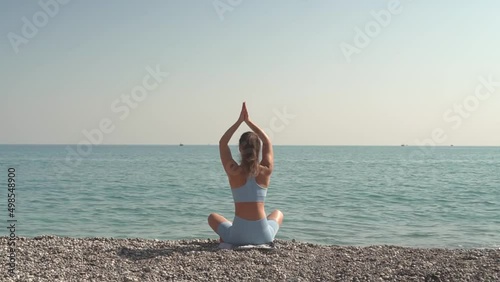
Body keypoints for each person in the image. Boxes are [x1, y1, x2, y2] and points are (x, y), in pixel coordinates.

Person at [208, 102, 283, 245]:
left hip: (237, 237)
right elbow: (267, 142)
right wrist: (249, 122)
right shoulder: (266, 170)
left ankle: (230, 234)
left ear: (240, 149)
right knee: (278, 213)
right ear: (258, 149)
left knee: (212, 217)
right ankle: (258, 232)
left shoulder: (233, 170)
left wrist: (239, 122)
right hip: (264, 236)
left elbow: (222, 143)